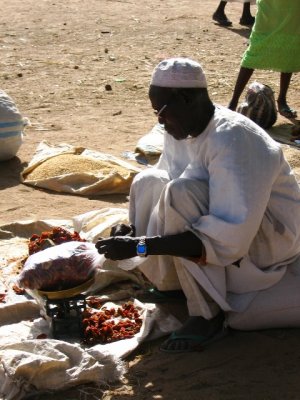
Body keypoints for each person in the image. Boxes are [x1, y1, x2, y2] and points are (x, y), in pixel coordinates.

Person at [96, 57, 300, 353]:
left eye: (162, 111)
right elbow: (164, 188)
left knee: (181, 193)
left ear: (186, 98)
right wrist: (132, 231)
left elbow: (228, 239)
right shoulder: (182, 127)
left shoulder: (234, 139)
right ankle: (173, 286)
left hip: (268, 240)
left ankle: (206, 314)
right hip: (224, 229)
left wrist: (141, 246)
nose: (159, 120)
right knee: (148, 180)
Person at [229, 0, 299, 119]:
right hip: (269, 7)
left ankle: (282, 100)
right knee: (254, 51)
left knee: (289, 50)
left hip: (293, 6)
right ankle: (233, 103)